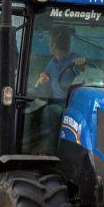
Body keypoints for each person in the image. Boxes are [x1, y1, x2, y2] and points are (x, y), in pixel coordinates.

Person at [28, 26, 86, 155]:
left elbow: (85, 72)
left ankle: (49, 151)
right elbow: (44, 87)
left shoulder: (75, 59)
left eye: (50, 41)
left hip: (70, 105)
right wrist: (43, 81)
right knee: (32, 114)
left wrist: (82, 65)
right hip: (53, 101)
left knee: (50, 112)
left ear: (53, 43)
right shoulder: (52, 62)